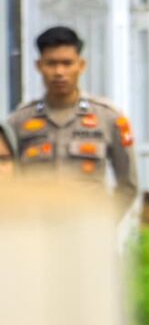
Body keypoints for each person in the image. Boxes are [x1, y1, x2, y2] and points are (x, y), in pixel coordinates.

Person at [4, 26, 137, 208]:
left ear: (81, 65)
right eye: (51, 63)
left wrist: (105, 224)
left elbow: (128, 185)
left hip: (89, 229)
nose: (59, 72)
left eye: (67, 63)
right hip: (36, 230)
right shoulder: (18, 122)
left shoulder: (108, 118)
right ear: (39, 66)